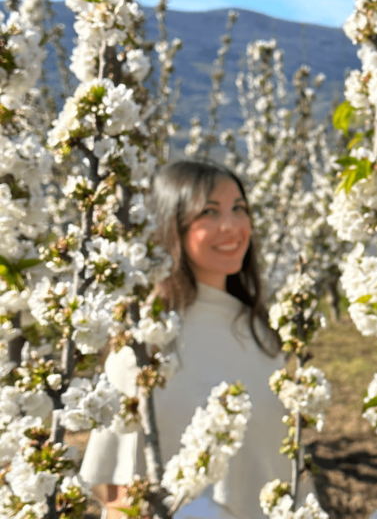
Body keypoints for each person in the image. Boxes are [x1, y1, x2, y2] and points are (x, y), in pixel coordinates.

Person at [81, 160, 290, 519]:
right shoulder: (146, 345)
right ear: (171, 226)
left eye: (239, 208)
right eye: (209, 212)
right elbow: (120, 494)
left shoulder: (262, 335)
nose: (231, 226)